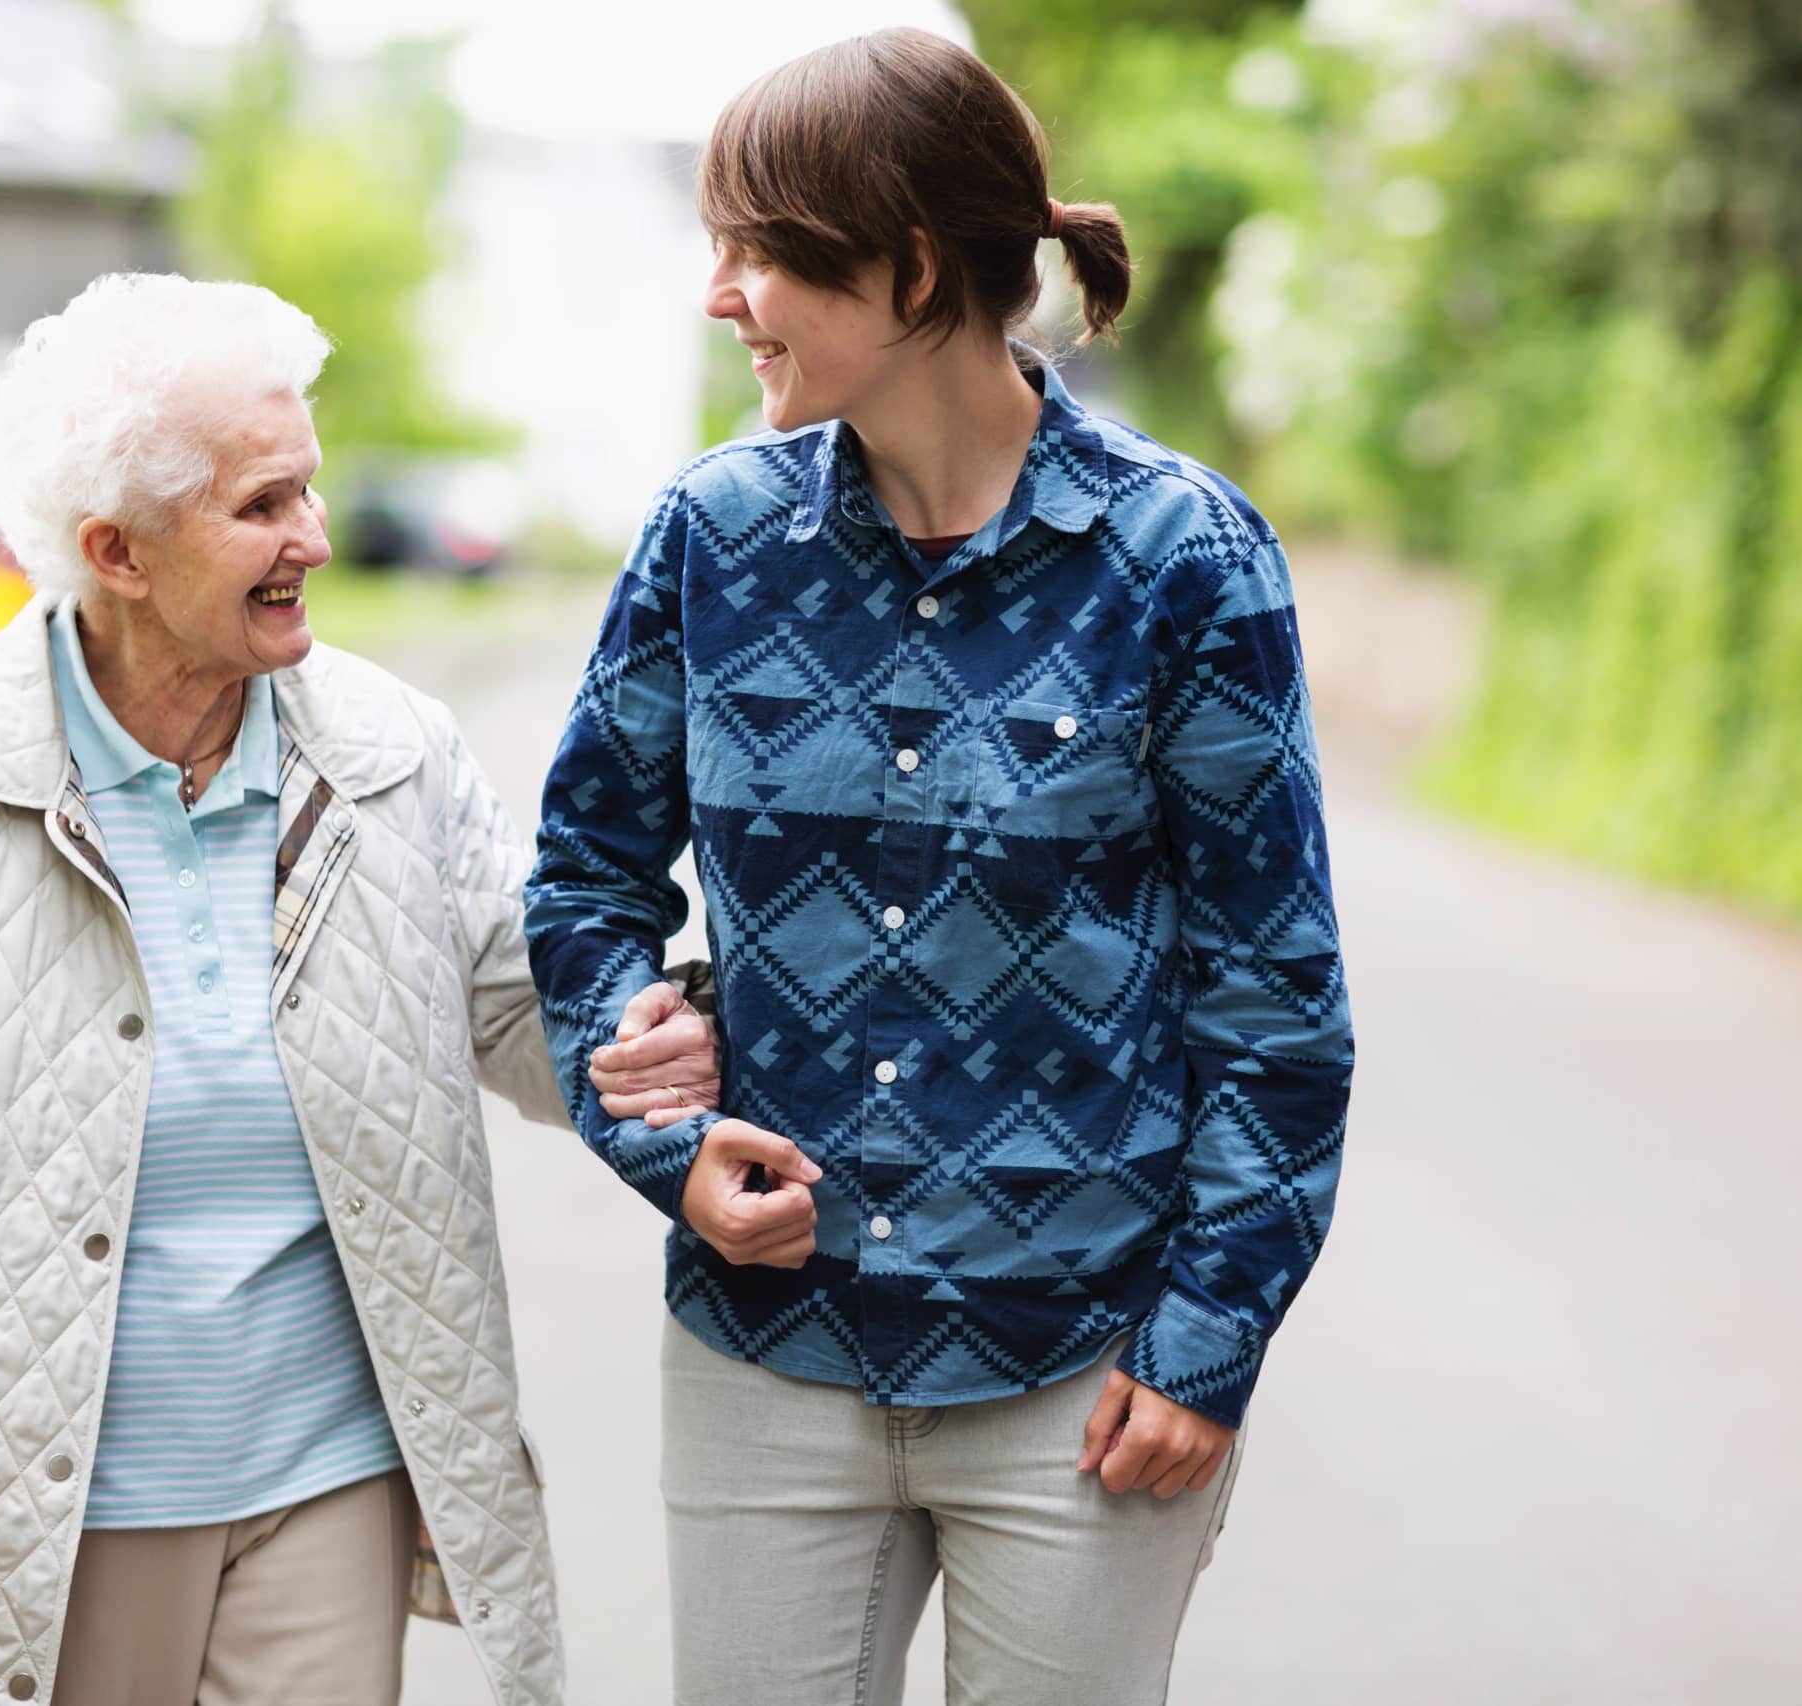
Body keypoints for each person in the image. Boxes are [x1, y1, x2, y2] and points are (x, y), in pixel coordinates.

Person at [0, 273, 718, 1706]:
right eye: (261, 507)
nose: (313, 536)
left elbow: (519, 1005)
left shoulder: (391, 751)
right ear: (116, 549)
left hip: (330, 1481)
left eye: (309, 488)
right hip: (40, 1508)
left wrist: (645, 1027)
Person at [524, 28, 1355, 1706]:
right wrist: (652, 1120)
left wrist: (1210, 1338)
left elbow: (1276, 992)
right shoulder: (710, 537)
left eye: (758, 252)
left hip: (1086, 1372)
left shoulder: (1181, 561)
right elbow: (582, 880)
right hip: (768, 1354)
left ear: (909, 268)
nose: (720, 295)